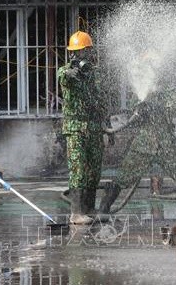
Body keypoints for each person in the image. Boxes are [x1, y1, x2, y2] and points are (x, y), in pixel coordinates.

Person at [99, 83, 176, 217]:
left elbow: (172, 109)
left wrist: (153, 105)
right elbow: (134, 113)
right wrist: (140, 106)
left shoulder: (170, 90)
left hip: (166, 146)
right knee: (123, 178)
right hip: (143, 145)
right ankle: (103, 209)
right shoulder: (141, 90)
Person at [58, 31, 108, 224]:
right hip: (76, 128)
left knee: (94, 170)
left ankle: (90, 208)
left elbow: (102, 100)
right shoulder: (66, 71)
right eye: (76, 52)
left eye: (83, 51)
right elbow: (64, 77)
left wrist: (107, 124)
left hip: (94, 127)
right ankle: (76, 212)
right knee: (78, 170)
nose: (79, 56)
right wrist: (73, 71)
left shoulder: (95, 74)